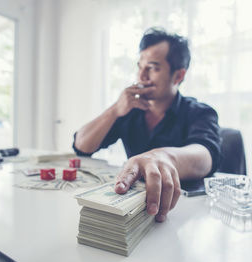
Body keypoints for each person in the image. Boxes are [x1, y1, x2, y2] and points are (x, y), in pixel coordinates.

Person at [73, 27, 220, 222]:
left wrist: (162, 157)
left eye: (152, 68)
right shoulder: (129, 109)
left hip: (183, 215)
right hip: (133, 212)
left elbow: (206, 156)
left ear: (178, 76)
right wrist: (115, 109)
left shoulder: (199, 112)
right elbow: (82, 146)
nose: (141, 76)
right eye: (139, 66)